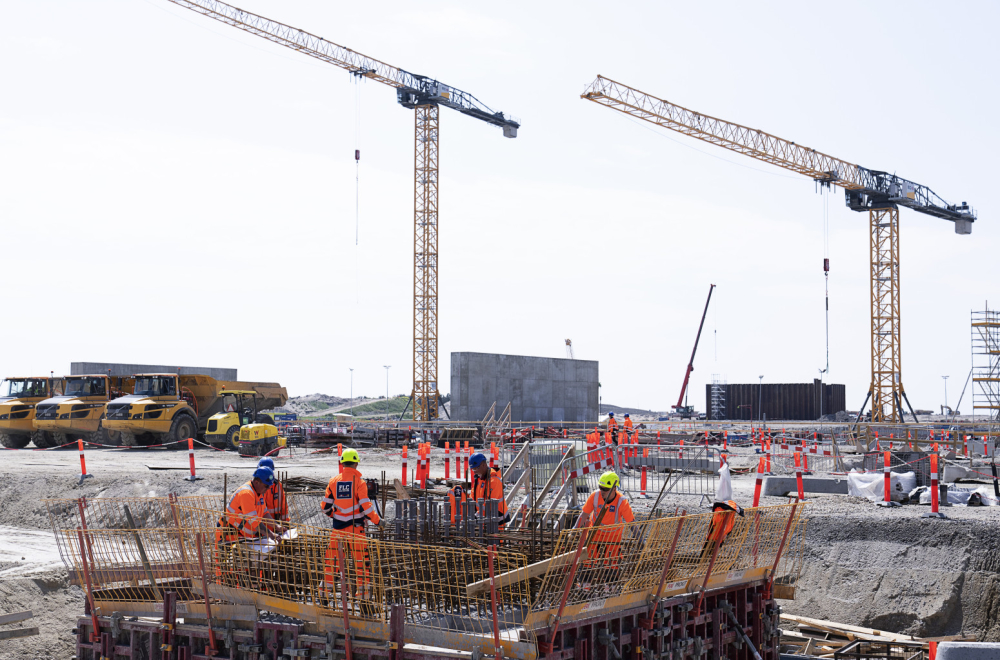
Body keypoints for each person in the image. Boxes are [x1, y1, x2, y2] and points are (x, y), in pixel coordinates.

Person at [322, 448, 383, 597]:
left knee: (331, 562)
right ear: (356, 464)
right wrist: (378, 521)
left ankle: (324, 595)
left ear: (342, 463)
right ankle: (363, 598)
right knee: (361, 564)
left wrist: (336, 515)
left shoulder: (333, 482)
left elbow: (325, 508)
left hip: (338, 530)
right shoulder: (359, 483)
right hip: (356, 530)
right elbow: (366, 507)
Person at [215, 466, 284, 582]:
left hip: (243, 536)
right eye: (266, 486)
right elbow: (255, 522)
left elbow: (265, 513)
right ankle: (222, 590)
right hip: (228, 534)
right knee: (226, 569)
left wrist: (276, 526)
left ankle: (248, 589)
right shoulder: (246, 493)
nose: (268, 489)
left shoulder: (258, 492)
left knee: (249, 567)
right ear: (257, 482)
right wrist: (271, 534)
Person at [576, 471, 634, 574]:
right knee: (588, 556)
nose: (602, 491)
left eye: (606, 489)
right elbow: (584, 514)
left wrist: (640, 538)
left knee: (612, 561)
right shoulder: (595, 496)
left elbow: (631, 522)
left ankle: (610, 581)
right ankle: (585, 579)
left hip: (613, 534)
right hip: (595, 532)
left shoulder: (622, 501)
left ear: (614, 489)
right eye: (600, 488)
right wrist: (574, 529)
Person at [470, 452, 509, 527]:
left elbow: (489, 504)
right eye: (472, 469)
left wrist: (476, 516)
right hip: (483, 519)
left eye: (476, 468)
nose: (474, 471)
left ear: (483, 465)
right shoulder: (479, 479)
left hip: (497, 521)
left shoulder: (493, 480)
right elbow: (472, 497)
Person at [258, 457, 289, 524]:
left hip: (275, 525)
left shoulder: (278, 485)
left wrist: (285, 523)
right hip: (262, 525)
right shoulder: (257, 486)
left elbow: (283, 505)